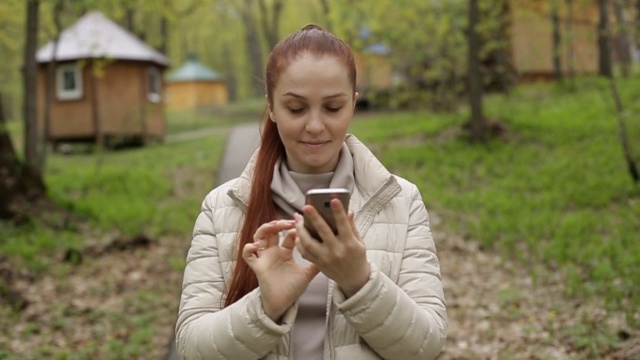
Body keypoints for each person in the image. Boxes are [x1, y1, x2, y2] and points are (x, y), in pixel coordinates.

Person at [175, 24, 447, 360]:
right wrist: (266, 306)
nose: (315, 126)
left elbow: (428, 344)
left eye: (333, 108)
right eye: (296, 108)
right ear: (271, 108)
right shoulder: (222, 207)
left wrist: (359, 281)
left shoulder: (400, 201)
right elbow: (191, 348)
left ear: (353, 105)